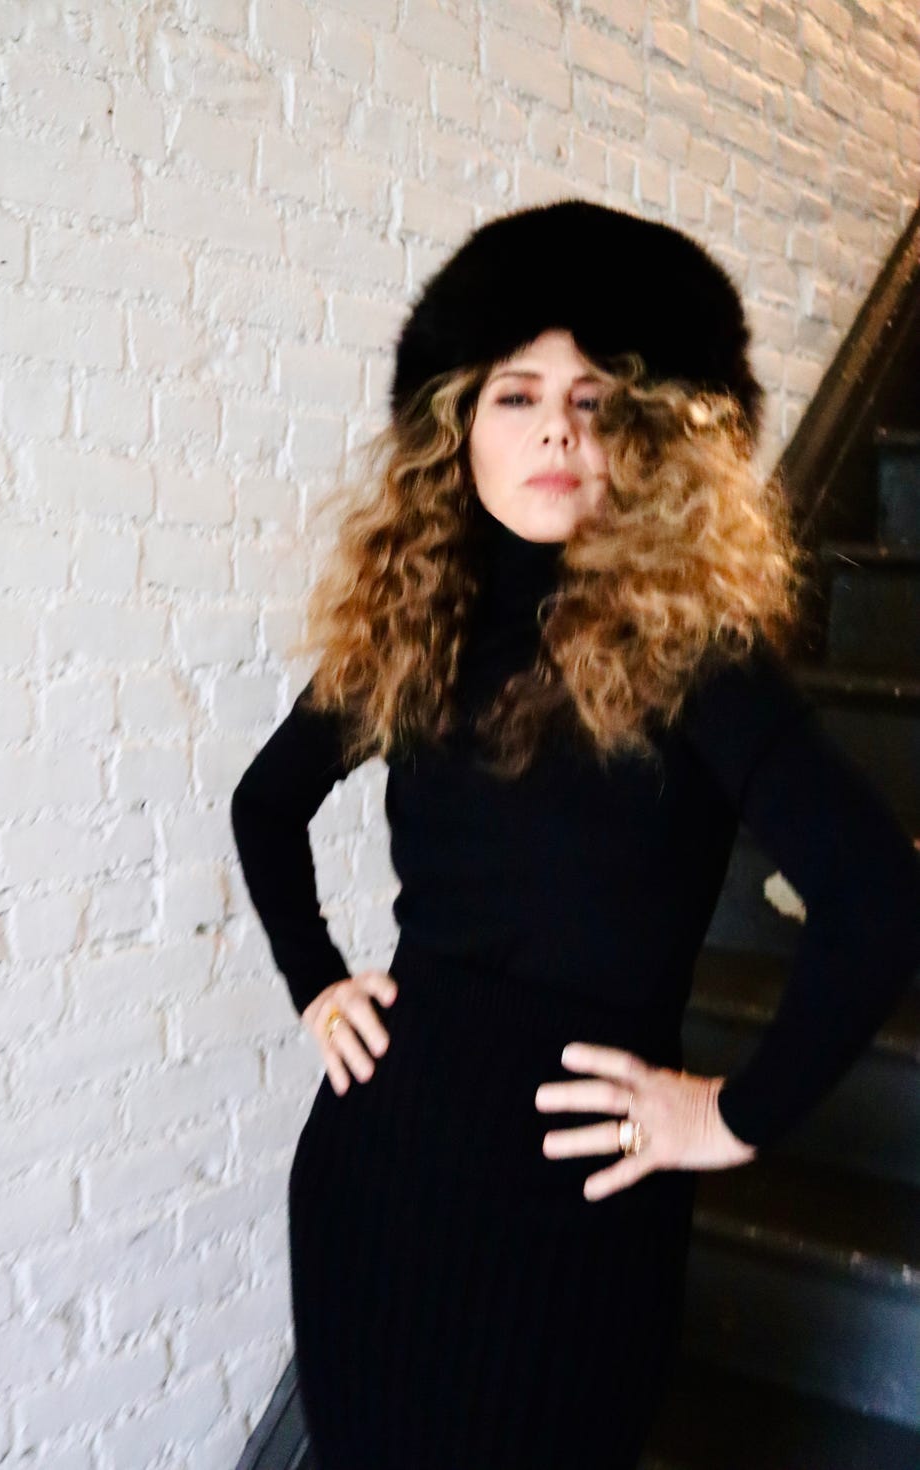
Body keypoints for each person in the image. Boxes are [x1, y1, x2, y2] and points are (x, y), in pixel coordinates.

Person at [230, 199, 920, 1470]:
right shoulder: (409, 633)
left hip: (577, 1217)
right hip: (377, 1180)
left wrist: (730, 1115)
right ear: (455, 433)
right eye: (514, 393)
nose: (556, 422)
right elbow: (262, 806)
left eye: (596, 398)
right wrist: (315, 981)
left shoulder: (696, 661)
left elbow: (877, 898)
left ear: (652, 438)